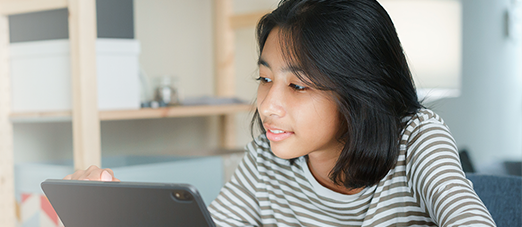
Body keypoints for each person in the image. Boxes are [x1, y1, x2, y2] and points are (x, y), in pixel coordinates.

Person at [65, 0, 496, 226]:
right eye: (264, 79)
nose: (268, 105)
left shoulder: (417, 139)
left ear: (359, 90)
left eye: (298, 86)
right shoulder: (267, 157)